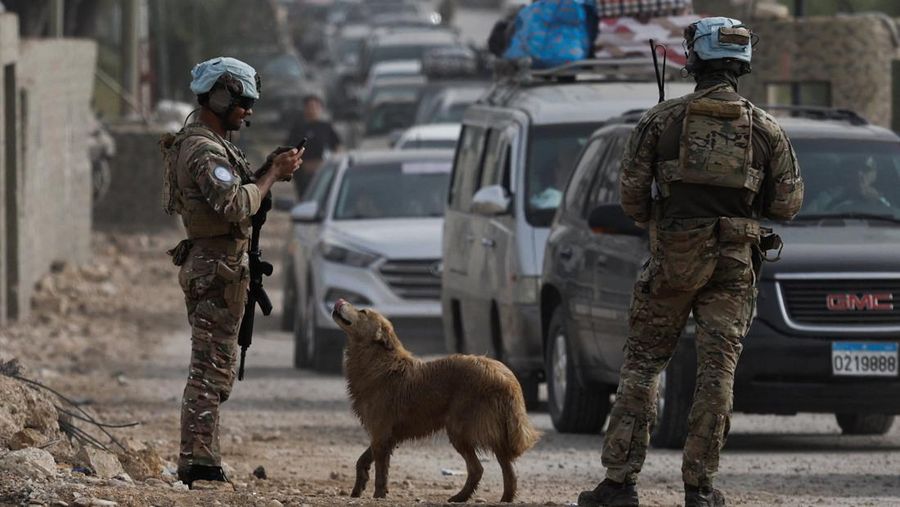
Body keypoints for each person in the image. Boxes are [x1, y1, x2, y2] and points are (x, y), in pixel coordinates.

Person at [576, 18, 804, 507]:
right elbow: (787, 205)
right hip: (734, 266)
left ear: (694, 60)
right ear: (741, 64)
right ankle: (700, 488)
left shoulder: (659, 121)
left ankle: (619, 484)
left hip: (672, 263)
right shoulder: (766, 128)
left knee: (642, 367)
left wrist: (669, 217)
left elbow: (632, 199)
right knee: (717, 374)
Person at [159, 56, 303, 488]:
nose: (248, 113)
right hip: (214, 268)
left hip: (221, 266)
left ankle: (202, 458)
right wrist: (272, 175)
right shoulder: (203, 149)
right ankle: (199, 463)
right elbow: (234, 204)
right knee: (209, 369)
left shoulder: (214, 145)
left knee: (215, 367)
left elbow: (237, 191)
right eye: (243, 104)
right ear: (219, 97)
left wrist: (267, 171)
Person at [284, 94, 342, 199]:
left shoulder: (326, 127)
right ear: (305, 108)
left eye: (316, 107)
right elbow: (290, 149)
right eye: (310, 107)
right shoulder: (298, 128)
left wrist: (331, 163)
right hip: (303, 172)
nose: (313, 110)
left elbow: (337, 146)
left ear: (321, 109)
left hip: (323, 171)